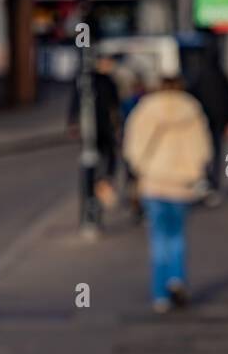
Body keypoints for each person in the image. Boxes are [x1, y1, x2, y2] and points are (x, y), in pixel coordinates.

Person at [123, 74, 212, 314]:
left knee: (158, 237)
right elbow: (202, 149)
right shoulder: (192, 110)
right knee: (177, 235)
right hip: (181, 184)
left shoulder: (145, 109)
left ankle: (160, 295)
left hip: (153, 182)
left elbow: (133, 147)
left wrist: (139, 167)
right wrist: (195, 172)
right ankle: (177, 278)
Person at [187, 33, 228, 207]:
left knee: (202, 154)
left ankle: (203, 183)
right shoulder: (221, 77)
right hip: (218, 121)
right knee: (217, 154)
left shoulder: (198, 78)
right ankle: (214, 184)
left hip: (202, 123)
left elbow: (192, 99)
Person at [68, 55, 122, 210]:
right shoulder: (103, 81)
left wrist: (73, 122)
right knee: (106, 157)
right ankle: (101, 185)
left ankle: (98, 187)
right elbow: (114, 107)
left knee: (98, 158)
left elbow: (75, 102)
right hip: (99, 128)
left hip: (92, 130)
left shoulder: (86, 80)